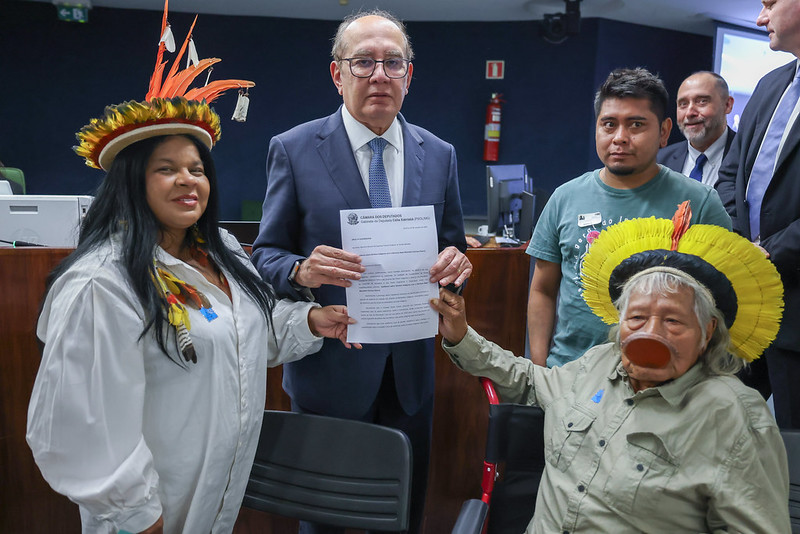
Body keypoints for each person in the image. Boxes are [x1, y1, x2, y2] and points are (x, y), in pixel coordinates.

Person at [26, 6, 357, 533]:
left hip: (213, 509)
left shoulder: (222, 250)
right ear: (132, 182)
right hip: (145, 519)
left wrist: (310, 323)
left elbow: (248, 337)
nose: (188, 181)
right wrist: (142, 519)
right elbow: (77, 426)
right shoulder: (102, 283)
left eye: (196, 169)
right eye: (166, 169)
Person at [431, 208, 789, 533]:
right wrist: (461, 333)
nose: (650, 332)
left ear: (707, 332)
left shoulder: (735, 416)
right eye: (636, 318)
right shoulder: (599, 362)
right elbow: (527, 380)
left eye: (673, 321)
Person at [250, 10, 470, 533]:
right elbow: (265, 256)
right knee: (324, 521)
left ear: (409, 76)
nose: (379, 75)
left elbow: (453, 247)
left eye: (393, 62)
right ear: (337, 74)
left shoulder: (438, 154)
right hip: (329, 372)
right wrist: (302, 270)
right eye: (364, 62)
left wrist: (459, 265)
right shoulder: (294, 148)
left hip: (410, 375)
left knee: (400, 516)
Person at [526, 67, 731, 369]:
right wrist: (541, 369)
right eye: (609, 124)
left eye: (636, 125)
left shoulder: (700, 203)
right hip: (572, 374)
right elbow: (543, 289)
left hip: (665, 380)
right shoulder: (565, 198)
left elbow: (721, 301)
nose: (620, 138)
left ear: (663, 132)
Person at [716, 0, 800, 428]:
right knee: (717, 428)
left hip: (797, 302)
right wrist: (738, 242)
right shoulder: (770, 84)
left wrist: (771, 251)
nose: (760, 18)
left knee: (794, 448)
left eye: (770, 4)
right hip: (747, 305)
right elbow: (731, 175)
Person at [657, 71, 736, 186]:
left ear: (727, 105)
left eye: (702, 101)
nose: (689, 113)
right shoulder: (659, 162)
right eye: (683, 104)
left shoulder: (747, 159)